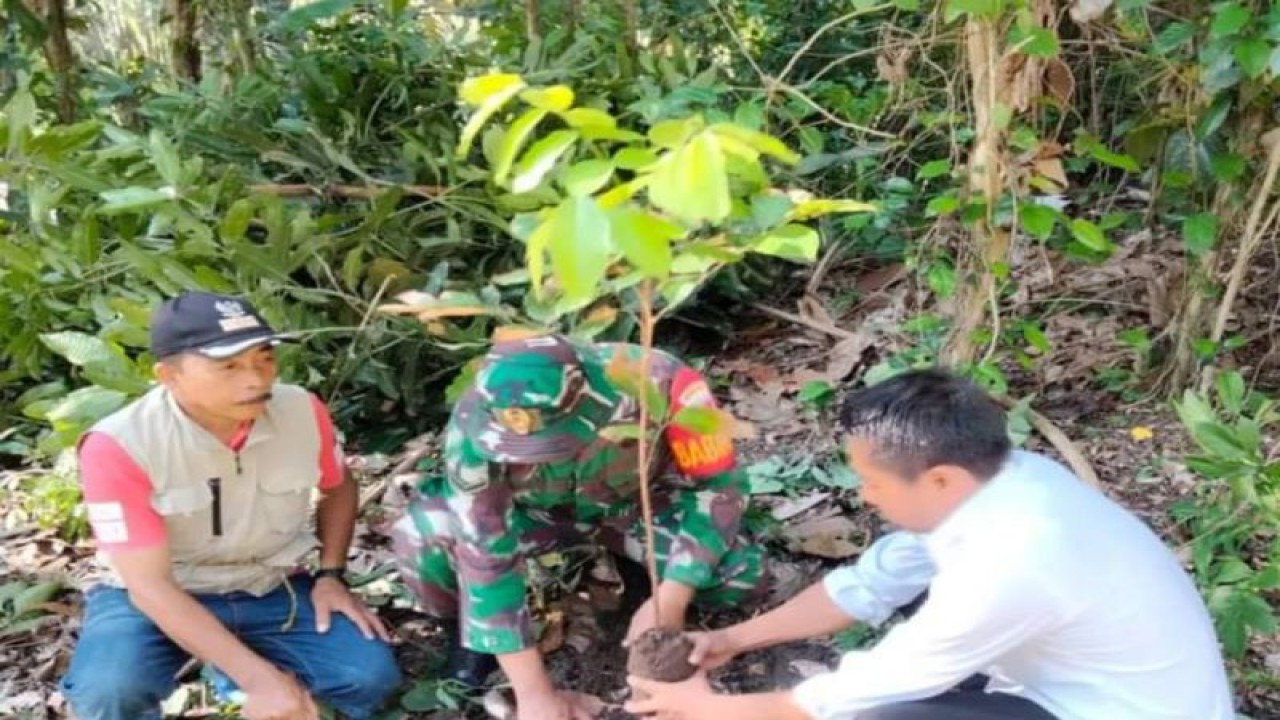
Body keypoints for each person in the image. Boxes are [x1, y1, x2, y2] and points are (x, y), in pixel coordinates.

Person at [625, 368, 1236, 720]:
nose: (863, 495)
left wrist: (709, 708)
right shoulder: (1007, 479)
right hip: (1077, 687)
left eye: (871, 482)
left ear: (940, 477)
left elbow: (855, 688)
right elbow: (871, 583)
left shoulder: (1014, 562)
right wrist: (730, 641)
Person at [59, 291, 402, 720]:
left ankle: (243, 674)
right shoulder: (119, 445)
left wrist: (331, 575)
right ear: (169, 375)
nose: (257, 380)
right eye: (229, 366)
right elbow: (150, 587)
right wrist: (263, 681)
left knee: (368, 678)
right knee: (109, 693)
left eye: (264, 358)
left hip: (271, 583)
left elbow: (339, 485)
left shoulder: (300, 409)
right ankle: (242, 673)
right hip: (159, 595)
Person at [391, 334, 772, 719]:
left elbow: (719, 489)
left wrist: (671, 595)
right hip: (533, 516)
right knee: (424, 538)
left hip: (638, 508)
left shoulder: (660, 381)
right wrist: (535, 695)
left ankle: (640, 581)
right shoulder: (476, 421)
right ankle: (475, 638)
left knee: (739, 575)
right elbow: (485, 552)